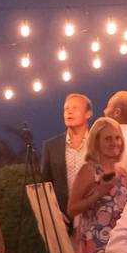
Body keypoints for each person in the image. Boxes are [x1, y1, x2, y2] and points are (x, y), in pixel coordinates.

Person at [66, 117, 127, 253]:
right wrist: (99, 193)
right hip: (95, 247)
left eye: (117, 138)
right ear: (97, 142)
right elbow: (72, 208)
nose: (114, 143)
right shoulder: (89, 170)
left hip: (118, 244)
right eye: (108, 139)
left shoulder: (122, 173)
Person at [39, 93, 93, 221]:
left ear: (88, 113)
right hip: (63, 220)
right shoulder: (51, 146)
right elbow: (45, 185)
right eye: (66, 109)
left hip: (94, 217)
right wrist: (54, 212)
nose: (69, 112)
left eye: (75, 108)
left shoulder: (97, 143)